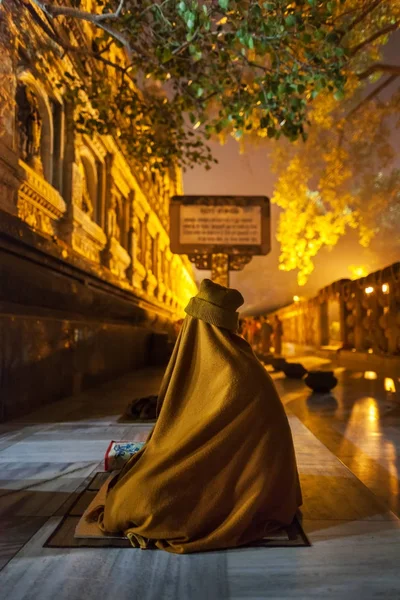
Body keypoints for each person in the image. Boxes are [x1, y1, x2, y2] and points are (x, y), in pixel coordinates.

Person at [88, 279, 302, 553]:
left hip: (242, 485)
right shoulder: (236, 363)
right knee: (139, 487)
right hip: (255, 485)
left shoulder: (235, 373)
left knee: (138, 501)